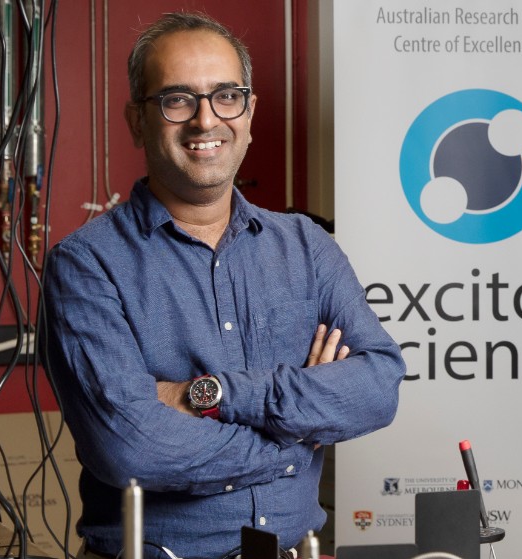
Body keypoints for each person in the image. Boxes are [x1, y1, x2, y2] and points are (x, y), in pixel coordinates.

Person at [43, 12, 405, 559]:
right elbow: (131, 447)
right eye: (177, 99)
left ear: (250, 112)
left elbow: (378, 385)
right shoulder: (86, 265)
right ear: (137, 121)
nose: (205, 120)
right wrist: (296, 435)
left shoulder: (306, 245)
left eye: (226, 96)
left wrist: (210, 396)